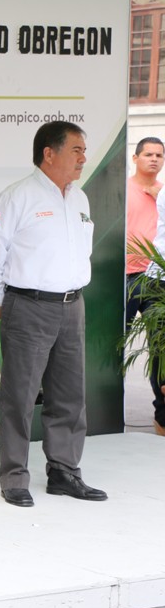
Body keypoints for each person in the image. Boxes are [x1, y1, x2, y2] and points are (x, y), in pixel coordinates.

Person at [0, 121, 106, 507]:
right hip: (29, 305)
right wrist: (3, 299)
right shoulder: (16, 197)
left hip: (72, 305)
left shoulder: (79, 199)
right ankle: (15, 475)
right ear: (48, 153)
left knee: (69, 395)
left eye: (84, 150)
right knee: (19, 395)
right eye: (76, 150)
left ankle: (64, 472)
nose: (83, 157)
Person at [125, 137, 165, 434]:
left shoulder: (163, 193)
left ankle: (162, 418)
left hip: (157, 280)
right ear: (135, 158)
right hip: (124, 277)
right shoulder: (122, 190)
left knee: (160, 349)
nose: (154, 159)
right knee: (115, 343)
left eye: (159, 155)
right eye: (148, 154)